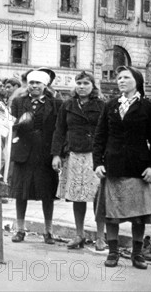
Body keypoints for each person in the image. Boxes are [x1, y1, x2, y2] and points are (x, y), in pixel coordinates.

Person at [93, 66, 151, 269]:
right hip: (113, 167)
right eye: (119, 77)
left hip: (139, 169)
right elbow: (100, 136)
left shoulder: (148, 107)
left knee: (139, 214)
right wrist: (97, 162)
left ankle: (137, 253)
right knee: (111, 213)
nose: (121, 81)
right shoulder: (110, 105)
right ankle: (113, 252)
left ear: (137, 81)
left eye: (126, 77)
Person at [51, 71, 106, 251]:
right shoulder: (68, 105)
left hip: (94, 156)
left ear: (93, 86)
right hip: (73, 154)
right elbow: (59, 130)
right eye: (79, 83)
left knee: (98, 198)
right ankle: (79, 234)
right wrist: (56, 154)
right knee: (77, 197)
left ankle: (100, 237)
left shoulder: (102, 105)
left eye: (86, 83)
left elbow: (108, 131)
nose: (82, 86)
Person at [9, 68, 62, 244]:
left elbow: (59, 131)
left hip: (45, 154)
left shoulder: (55, 104)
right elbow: (9, 125)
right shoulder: (18, 102)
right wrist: (19, 122)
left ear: (45, 85)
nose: (34, 86)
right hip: (23, 153)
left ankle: (48, 231)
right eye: (31, 83)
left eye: (38, 83)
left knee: (47, 194)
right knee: (21, 193)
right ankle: (20, 230)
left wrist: (57, 154)